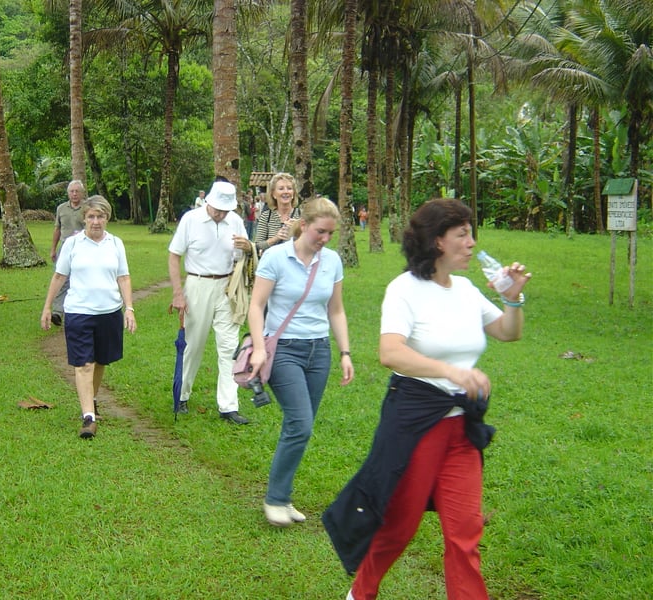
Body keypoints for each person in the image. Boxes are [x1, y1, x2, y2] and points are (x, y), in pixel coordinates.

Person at [323, 198, 531, 600]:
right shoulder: (405, 290)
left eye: (471, 233)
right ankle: (359, 594)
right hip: (416, 424)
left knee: (465, 532)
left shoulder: (467, 290)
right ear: (437, 241)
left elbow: (508, 331)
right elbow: (390, 352)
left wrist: (514, 298)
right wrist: (452, 372)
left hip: (460, 430)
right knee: (399, 526)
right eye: (462, 234)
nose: (472, 242)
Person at [247, 197, 354, 527]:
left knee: (299, 427)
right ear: (303, 225)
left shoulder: (332, 261)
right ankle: (276, 499)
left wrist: (345, 353)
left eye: (330, 234)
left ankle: (282, 495)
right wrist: (260, 348)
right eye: (320, 232)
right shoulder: (276, 258)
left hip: (318, 351)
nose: (324, 239)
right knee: (301, 424)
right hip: (284, 351)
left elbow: (335, 309)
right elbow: (256, 305)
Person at [40, 195, 137, 439]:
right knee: (84, 364)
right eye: (91, 216)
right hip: (79, 313)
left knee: (101, 360)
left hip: (109, 313)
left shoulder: (116, 244)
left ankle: (91, 400)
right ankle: (88, 418)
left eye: (100, 216)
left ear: (107, 218)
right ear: (84, 218)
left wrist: (129, 309)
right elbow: (59, 277)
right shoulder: (72, 245)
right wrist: (47, 307)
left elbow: (123, 277)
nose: (96, 221)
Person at [168, 180, 253, 425]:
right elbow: (174, 256)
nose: (220, 213)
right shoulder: (191, 219)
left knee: (228, 346)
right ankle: (182, 394)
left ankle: (228, 406)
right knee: (193, 344)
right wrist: (177, 293)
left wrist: (246, 247)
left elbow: (245, 253)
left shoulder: (235, 221)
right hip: (197, 284)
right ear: (208, 202)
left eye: (225, 210)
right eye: (217, 209)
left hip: (228, 286)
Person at [49, 180, 86, 326]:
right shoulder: (61, 208)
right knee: (61, 278)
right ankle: (57, 312)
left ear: (82, 193)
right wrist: (53, 249)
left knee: (81, 279)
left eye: (77, 191)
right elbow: (57, 229)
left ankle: (81, 310)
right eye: (72, 191)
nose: (75, 194)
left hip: (83, 248)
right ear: (68, 193)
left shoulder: (87, 208)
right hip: (65, 248)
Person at [253, 172, 302, 256]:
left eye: (289, 188)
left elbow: (312, 242)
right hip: (272, 265)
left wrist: (297, 230)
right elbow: (258, 245)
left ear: (293, 193)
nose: (286, 192)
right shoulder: (266, 216)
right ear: (273, 194)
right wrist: (276, 238)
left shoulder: (302, 215)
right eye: (281, 188)